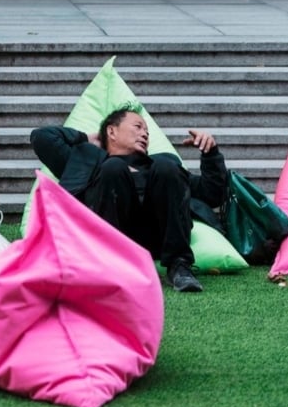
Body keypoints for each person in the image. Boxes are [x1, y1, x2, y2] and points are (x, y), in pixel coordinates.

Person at [30, 104, 227, 293]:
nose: (145, 134)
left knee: (166, 165)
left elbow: (212, 193)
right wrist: (88, 138)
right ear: (112, 131)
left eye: (147, 132)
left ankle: (179, 266)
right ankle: (110, 266)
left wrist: (210, 154)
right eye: (138, 127)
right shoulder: (86, 162)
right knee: (113, 167)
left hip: (155, 237)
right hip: (108, 237)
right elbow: (41, 137)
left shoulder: (162, 167)